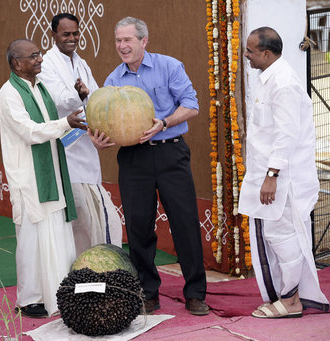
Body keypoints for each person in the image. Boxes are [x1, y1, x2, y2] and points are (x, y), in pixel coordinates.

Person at [89, 17, 209, 315]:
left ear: (144, 41)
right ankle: (149, 292)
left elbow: (191, 105)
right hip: (133, 159)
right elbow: (108, 122)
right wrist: (100, 139)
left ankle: (195, 293)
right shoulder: (113, 80)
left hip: (171, 153)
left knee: (185, 225)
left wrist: (164, 123)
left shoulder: (169, 66)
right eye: (118, 40)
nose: (122, 46)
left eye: (128, 40)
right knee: (139, 227)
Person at [239, 27, 330, 318]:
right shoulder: (269, 79)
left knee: (283, 238)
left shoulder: (284, 82)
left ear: (266, 53)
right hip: (267, 176)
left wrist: (272, 176)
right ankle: (285, 296)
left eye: (250, 51)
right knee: (274, 236)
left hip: (282, 180)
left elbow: (287, 135)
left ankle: (291, 301)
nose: (246, 55)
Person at [0, 39, 87, 318]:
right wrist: (64, 124)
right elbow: (30, 131)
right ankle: (31, 298)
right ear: (16, 63)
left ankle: (60, 293)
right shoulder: (9, 93)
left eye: (39, 54)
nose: (40, 59)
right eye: (33, 56)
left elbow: (53, 124)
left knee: (57, 232)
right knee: (32, 238)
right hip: (29, 178)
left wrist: (71, 117)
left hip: (52, 173)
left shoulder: (40, 87)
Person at [38, 13, 123, 256]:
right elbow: (58, 101)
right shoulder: (47, 64)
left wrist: (89, 97)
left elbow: (94, 97)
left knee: (99, 216)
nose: (72, 38)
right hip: (65, 149)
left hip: (87, 146)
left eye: (75, 33)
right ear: (54, 35)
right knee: (80, 217)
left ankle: (101, 266)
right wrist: (80, 94)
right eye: (66, 34)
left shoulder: (81, 62)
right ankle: (80, 271)